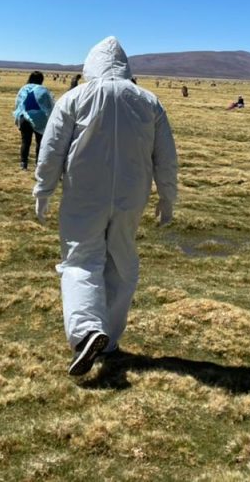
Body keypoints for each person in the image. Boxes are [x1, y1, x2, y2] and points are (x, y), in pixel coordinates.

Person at [33, 37, 178, 376]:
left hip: (85, 193)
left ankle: (86, 331)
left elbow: (52, 149)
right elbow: (166, 157)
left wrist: (43, 189)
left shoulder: (75, 98)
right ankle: (109, 338)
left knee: (81, 259)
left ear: (90, 64)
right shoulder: (148, 101)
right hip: (131, 195)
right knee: (122, 263)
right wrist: (167, 197)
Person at [13, 71, 54, 170]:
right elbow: (50, 105)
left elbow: (17, 103)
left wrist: (18, 116)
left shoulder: (23, 89)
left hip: (24, 118)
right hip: (40, 120)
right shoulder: (44, 90)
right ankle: (38, 164)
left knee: (25, 141)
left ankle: (23, 164)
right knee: (40, 142)